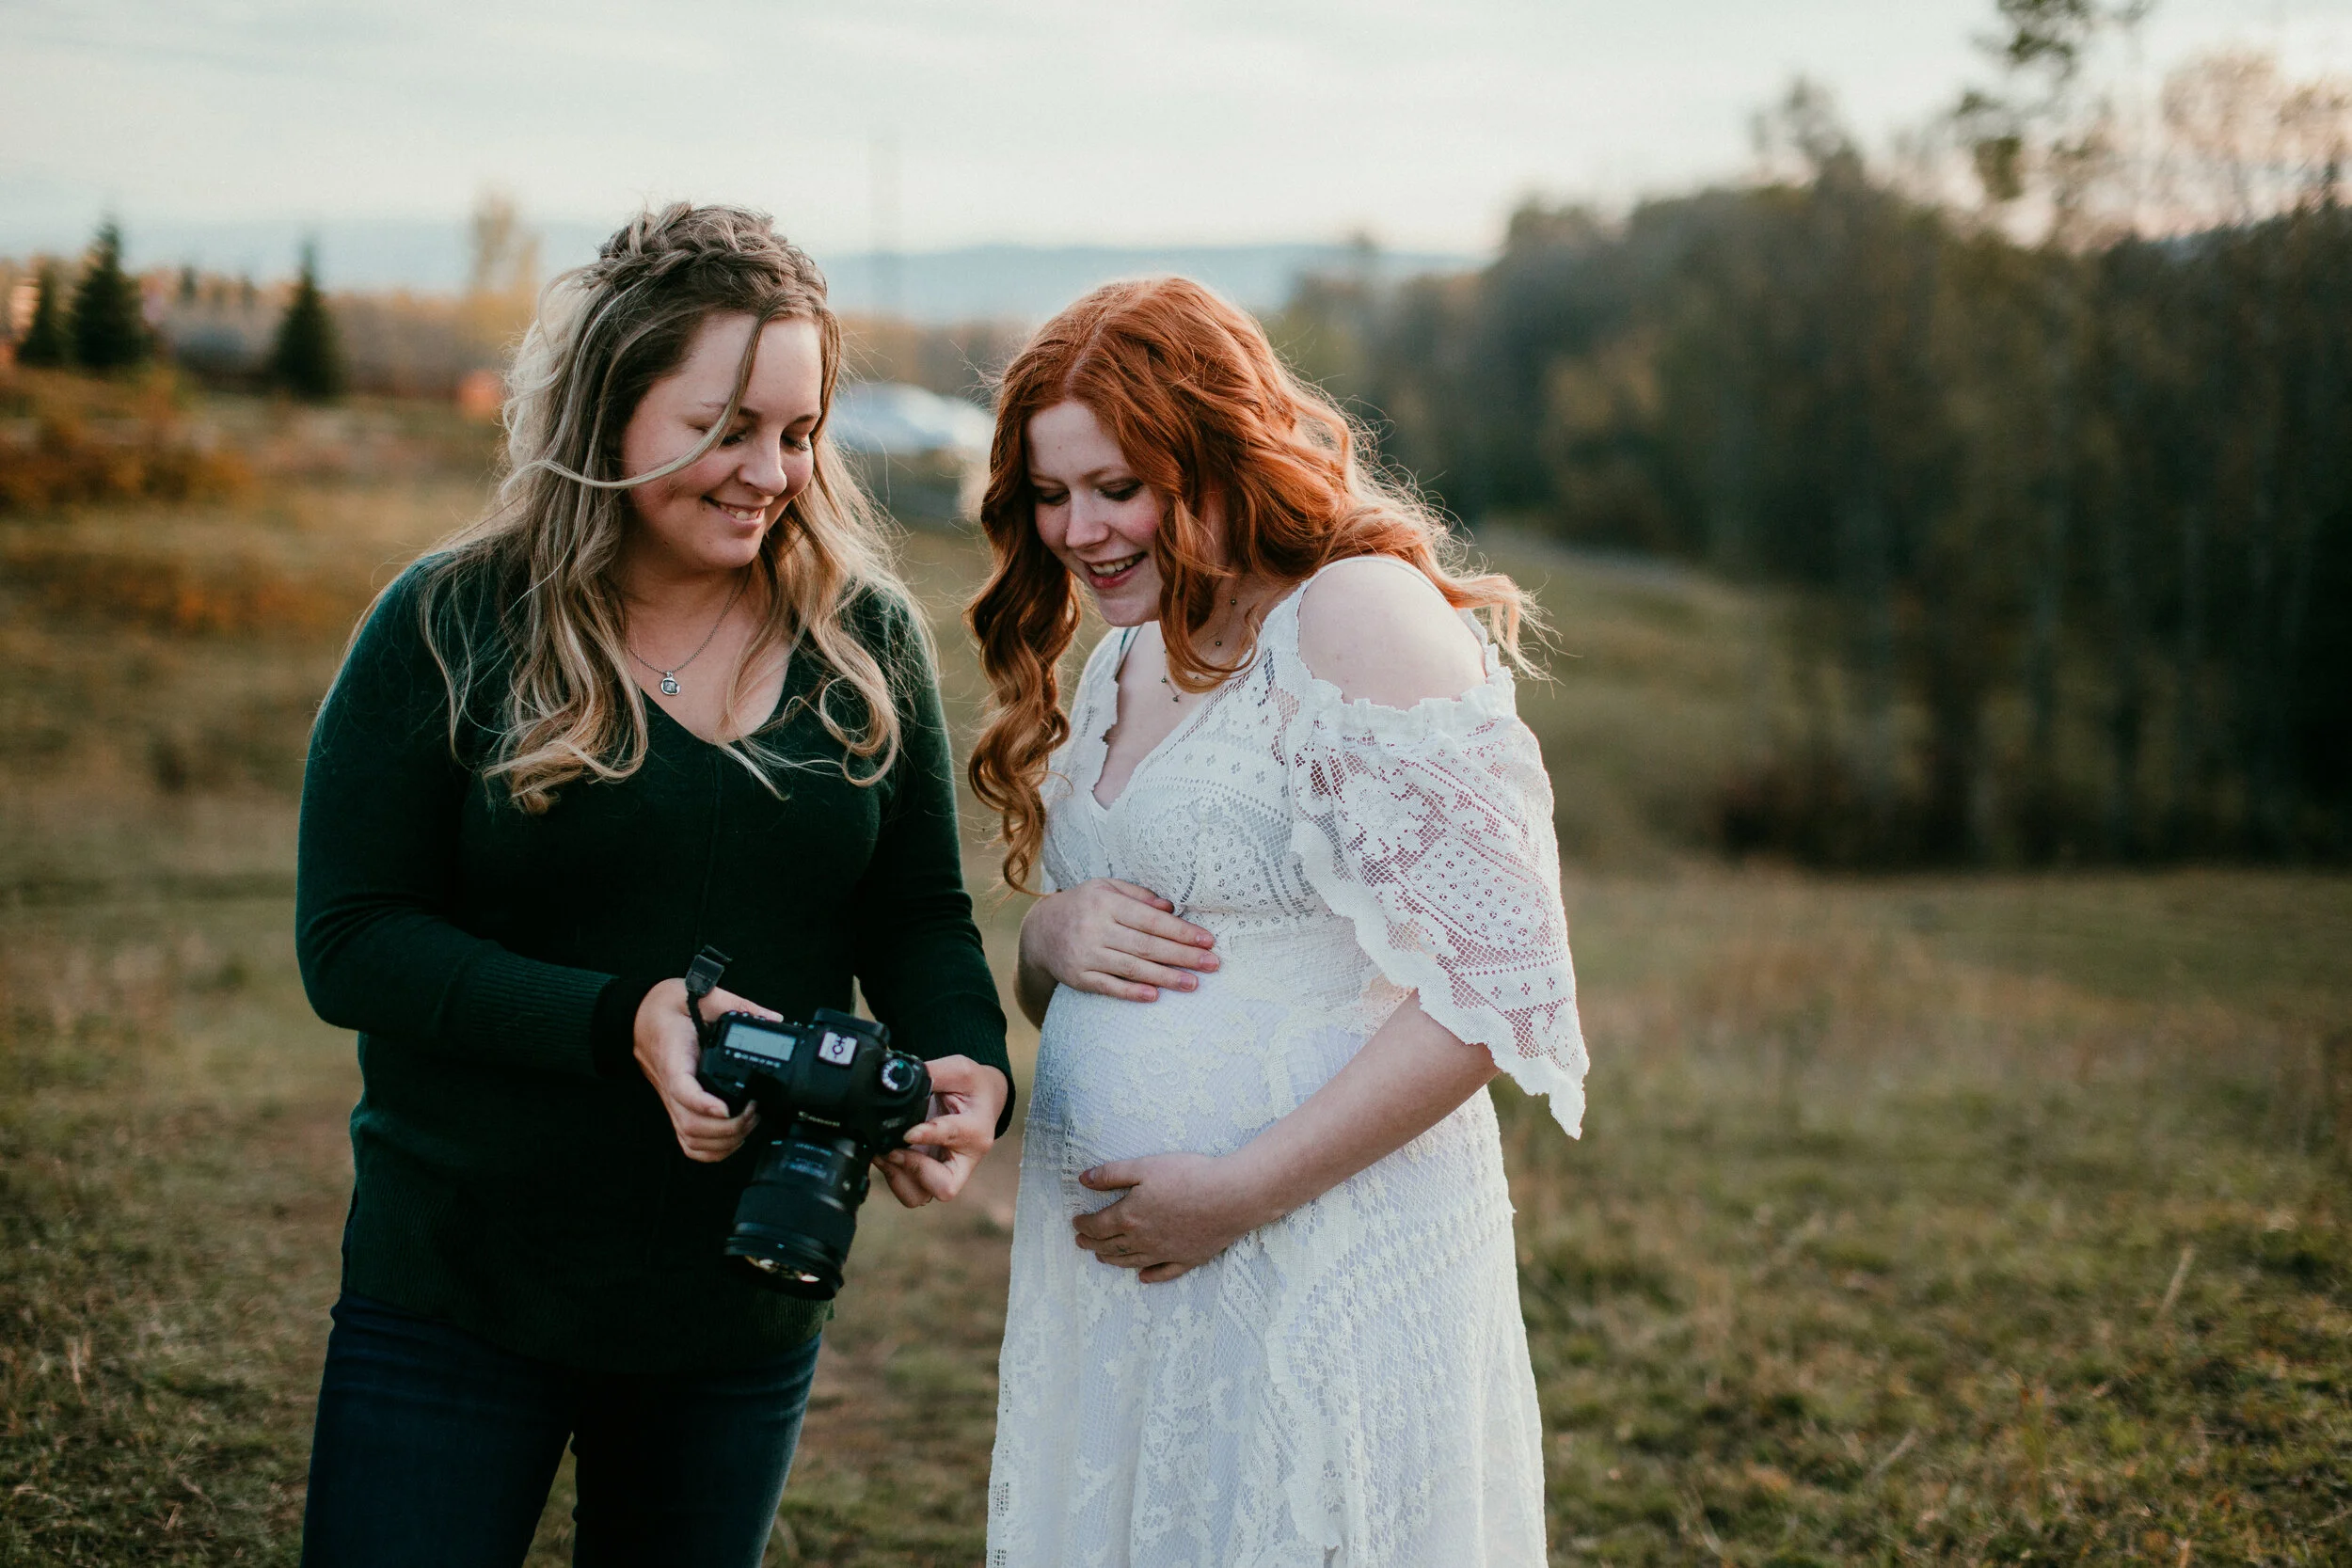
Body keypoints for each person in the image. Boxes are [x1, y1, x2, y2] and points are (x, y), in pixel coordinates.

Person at [294, 203, 1010, 1568]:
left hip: (738, 1312)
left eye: (798, 432)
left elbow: (915, 914)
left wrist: (970, 1062)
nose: (771, 471)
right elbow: (352, 940)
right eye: (725, 426)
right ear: (610, 408)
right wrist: (622, 1015)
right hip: (460, 1286)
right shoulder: (448, 625)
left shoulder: (862, 640)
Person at [965, 277, 1587, 1565]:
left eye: (1116, 486)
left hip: (1314, 1255)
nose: (1078, 530)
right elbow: (1104, 968)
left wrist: (1242, 1190)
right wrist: (1049, 940)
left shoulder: (1353, 618)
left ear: (1213, 453)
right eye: (1049, 492)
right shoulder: (1127, 652)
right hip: (1127, 1286)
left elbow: (1495, 991)